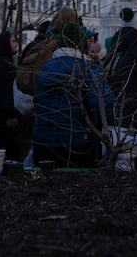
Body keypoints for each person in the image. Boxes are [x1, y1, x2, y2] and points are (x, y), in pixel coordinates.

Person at [32, 23, 116, 168]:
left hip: (42, 140)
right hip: (77, 141)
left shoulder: (44, 69)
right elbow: (104, 104)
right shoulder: (88, 69)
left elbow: (37, 103)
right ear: (81, 44)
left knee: (44, 184)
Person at [0, 29, 24, 159]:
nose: (16, 43)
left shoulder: (1, 62)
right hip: (3, 119)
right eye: (13, 41)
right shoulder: (3, 64)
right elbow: (5, 91)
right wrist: (11, 114)